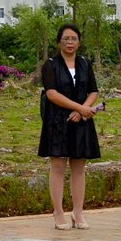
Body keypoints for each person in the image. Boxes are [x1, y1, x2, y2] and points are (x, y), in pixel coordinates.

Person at [38, 23, 100, 230]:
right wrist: (79, 108)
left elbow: (93, 91)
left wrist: (83, 110)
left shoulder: (85, 63)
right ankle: (58, 212)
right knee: (58, 166)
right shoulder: (51, 64)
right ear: (59, 42)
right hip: (58, 121)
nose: (70, 42)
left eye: (74, 38)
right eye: (66, 39)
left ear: (79, 42)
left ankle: (78, 212)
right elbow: (52, 93)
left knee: (79, 167)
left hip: (80, 120)